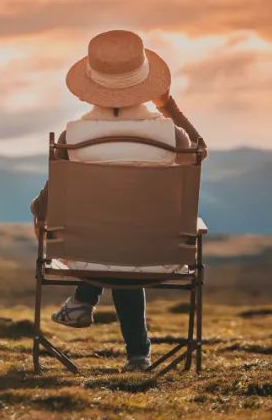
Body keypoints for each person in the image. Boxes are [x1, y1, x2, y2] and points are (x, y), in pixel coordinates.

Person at [30, 29, 207, 372]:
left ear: (90, 86)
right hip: (158, 255)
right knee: (129, 252)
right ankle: (138, 355)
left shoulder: (72, 138)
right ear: (148, 83)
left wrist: (40, 215)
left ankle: (83, 299)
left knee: (113, 247)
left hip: (88, 257)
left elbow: (43, 206)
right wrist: (168, 105)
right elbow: (199, 153)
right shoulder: (172, 137)